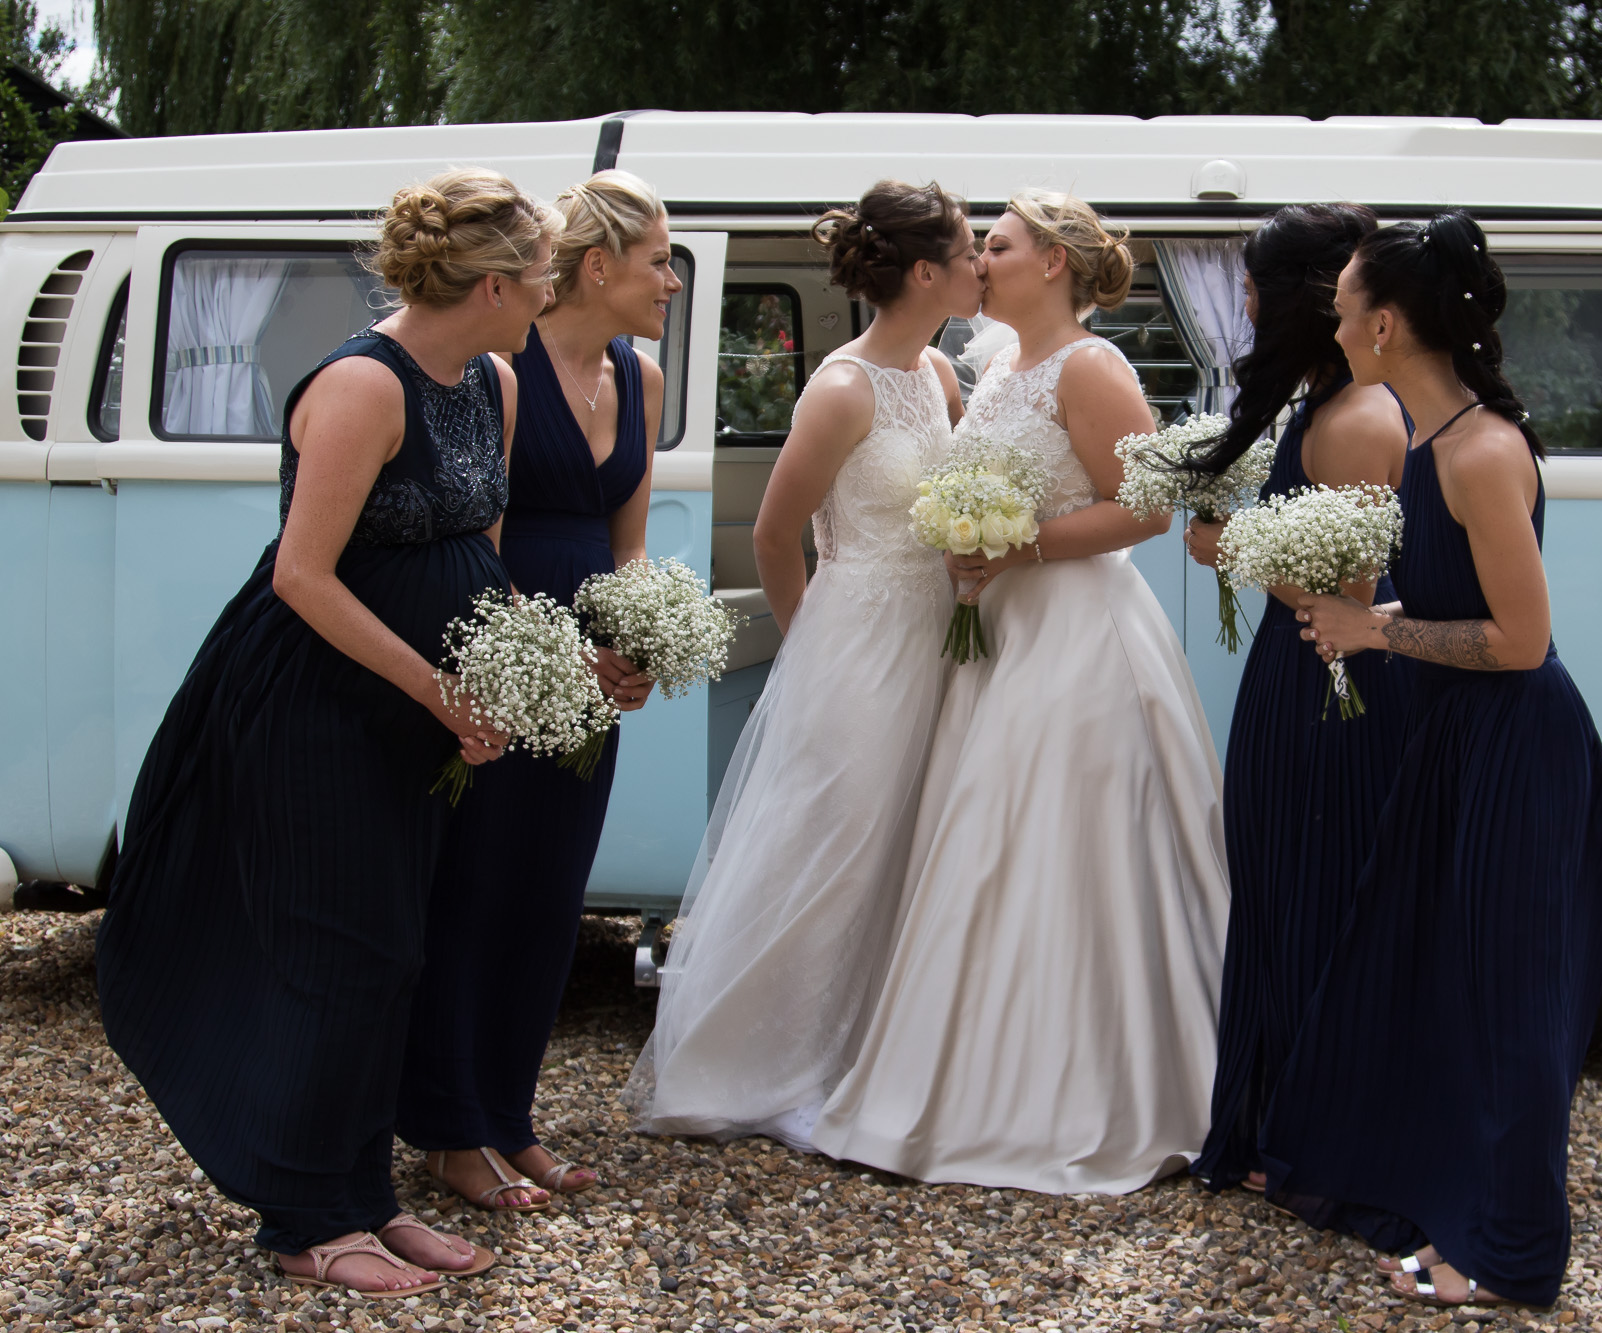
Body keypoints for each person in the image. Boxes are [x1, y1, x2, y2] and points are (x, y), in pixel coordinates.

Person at [96, 169, 556, 1295]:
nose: (551, 294)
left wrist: (517, 673)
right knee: (334, 954)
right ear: (494, 285)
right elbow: (303, 575)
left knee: (395, 948)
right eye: (545, 275)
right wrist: (439, 692)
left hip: (414, 715)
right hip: (314, 705)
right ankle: (304, 1218)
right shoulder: (361, 386)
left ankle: (365, 1196)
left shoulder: (491, 379)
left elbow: (481, 550)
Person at [812, 190, 1231, 1194]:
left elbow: (1146, 507)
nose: (979, 262)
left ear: (1051, 263)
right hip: (997, 634)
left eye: (996, 246)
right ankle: (975, 1079)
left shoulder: (1091, 366)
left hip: (1077, 635)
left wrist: (1020, 544)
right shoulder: (998, 366)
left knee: (1068, 844)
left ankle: (1098, 1089)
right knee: (986, 840)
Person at [1264, 211, 1602, 1311]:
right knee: (1448, 991)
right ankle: (1462, 1211)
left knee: (1509, 1005)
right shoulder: (1426, 442)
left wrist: (1376, 631)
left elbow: (1521, 642)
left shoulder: (1478, 452)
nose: (1330, 323)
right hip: (1457, 737)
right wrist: (1367, 617)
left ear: (1380, 326)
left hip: (1517, 747)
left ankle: (1511, 1256)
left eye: (1341, 307)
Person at [621, 180, 980, 1149]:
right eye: (965, 252)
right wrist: (811, 646)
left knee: (903, 844)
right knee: (830, 844)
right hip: (854, 640)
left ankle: (857, 1053)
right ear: (923, 273)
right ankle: (752, 1069)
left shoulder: (938, 377)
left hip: (933, 633)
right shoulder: (840, 389)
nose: (978, 265)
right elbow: (777, 536)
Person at [398, 170, 673, 1211]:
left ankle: (509, 1116)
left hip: (592, 671)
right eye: (660, 261)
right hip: (503, 650)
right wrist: (555, 652)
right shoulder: (503, 366)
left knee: (551, 898)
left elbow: (628, 541)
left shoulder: (642, 379)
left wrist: (639, 637)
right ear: (597, 267)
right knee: (473, 889)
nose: (672, 282)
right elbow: (482, 538)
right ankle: (448, 1128)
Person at [1179, 204, 1414, 1194]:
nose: (1241, 304)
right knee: (1279, 894)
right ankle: (1279, 1119)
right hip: (1296, 673)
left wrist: (1225, 546)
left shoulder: (1357, 418)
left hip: (1328, 688)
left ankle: (1307, 1137)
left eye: (1250, 287)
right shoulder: (1326, 405)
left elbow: (1349, 595)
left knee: (1311, 896)